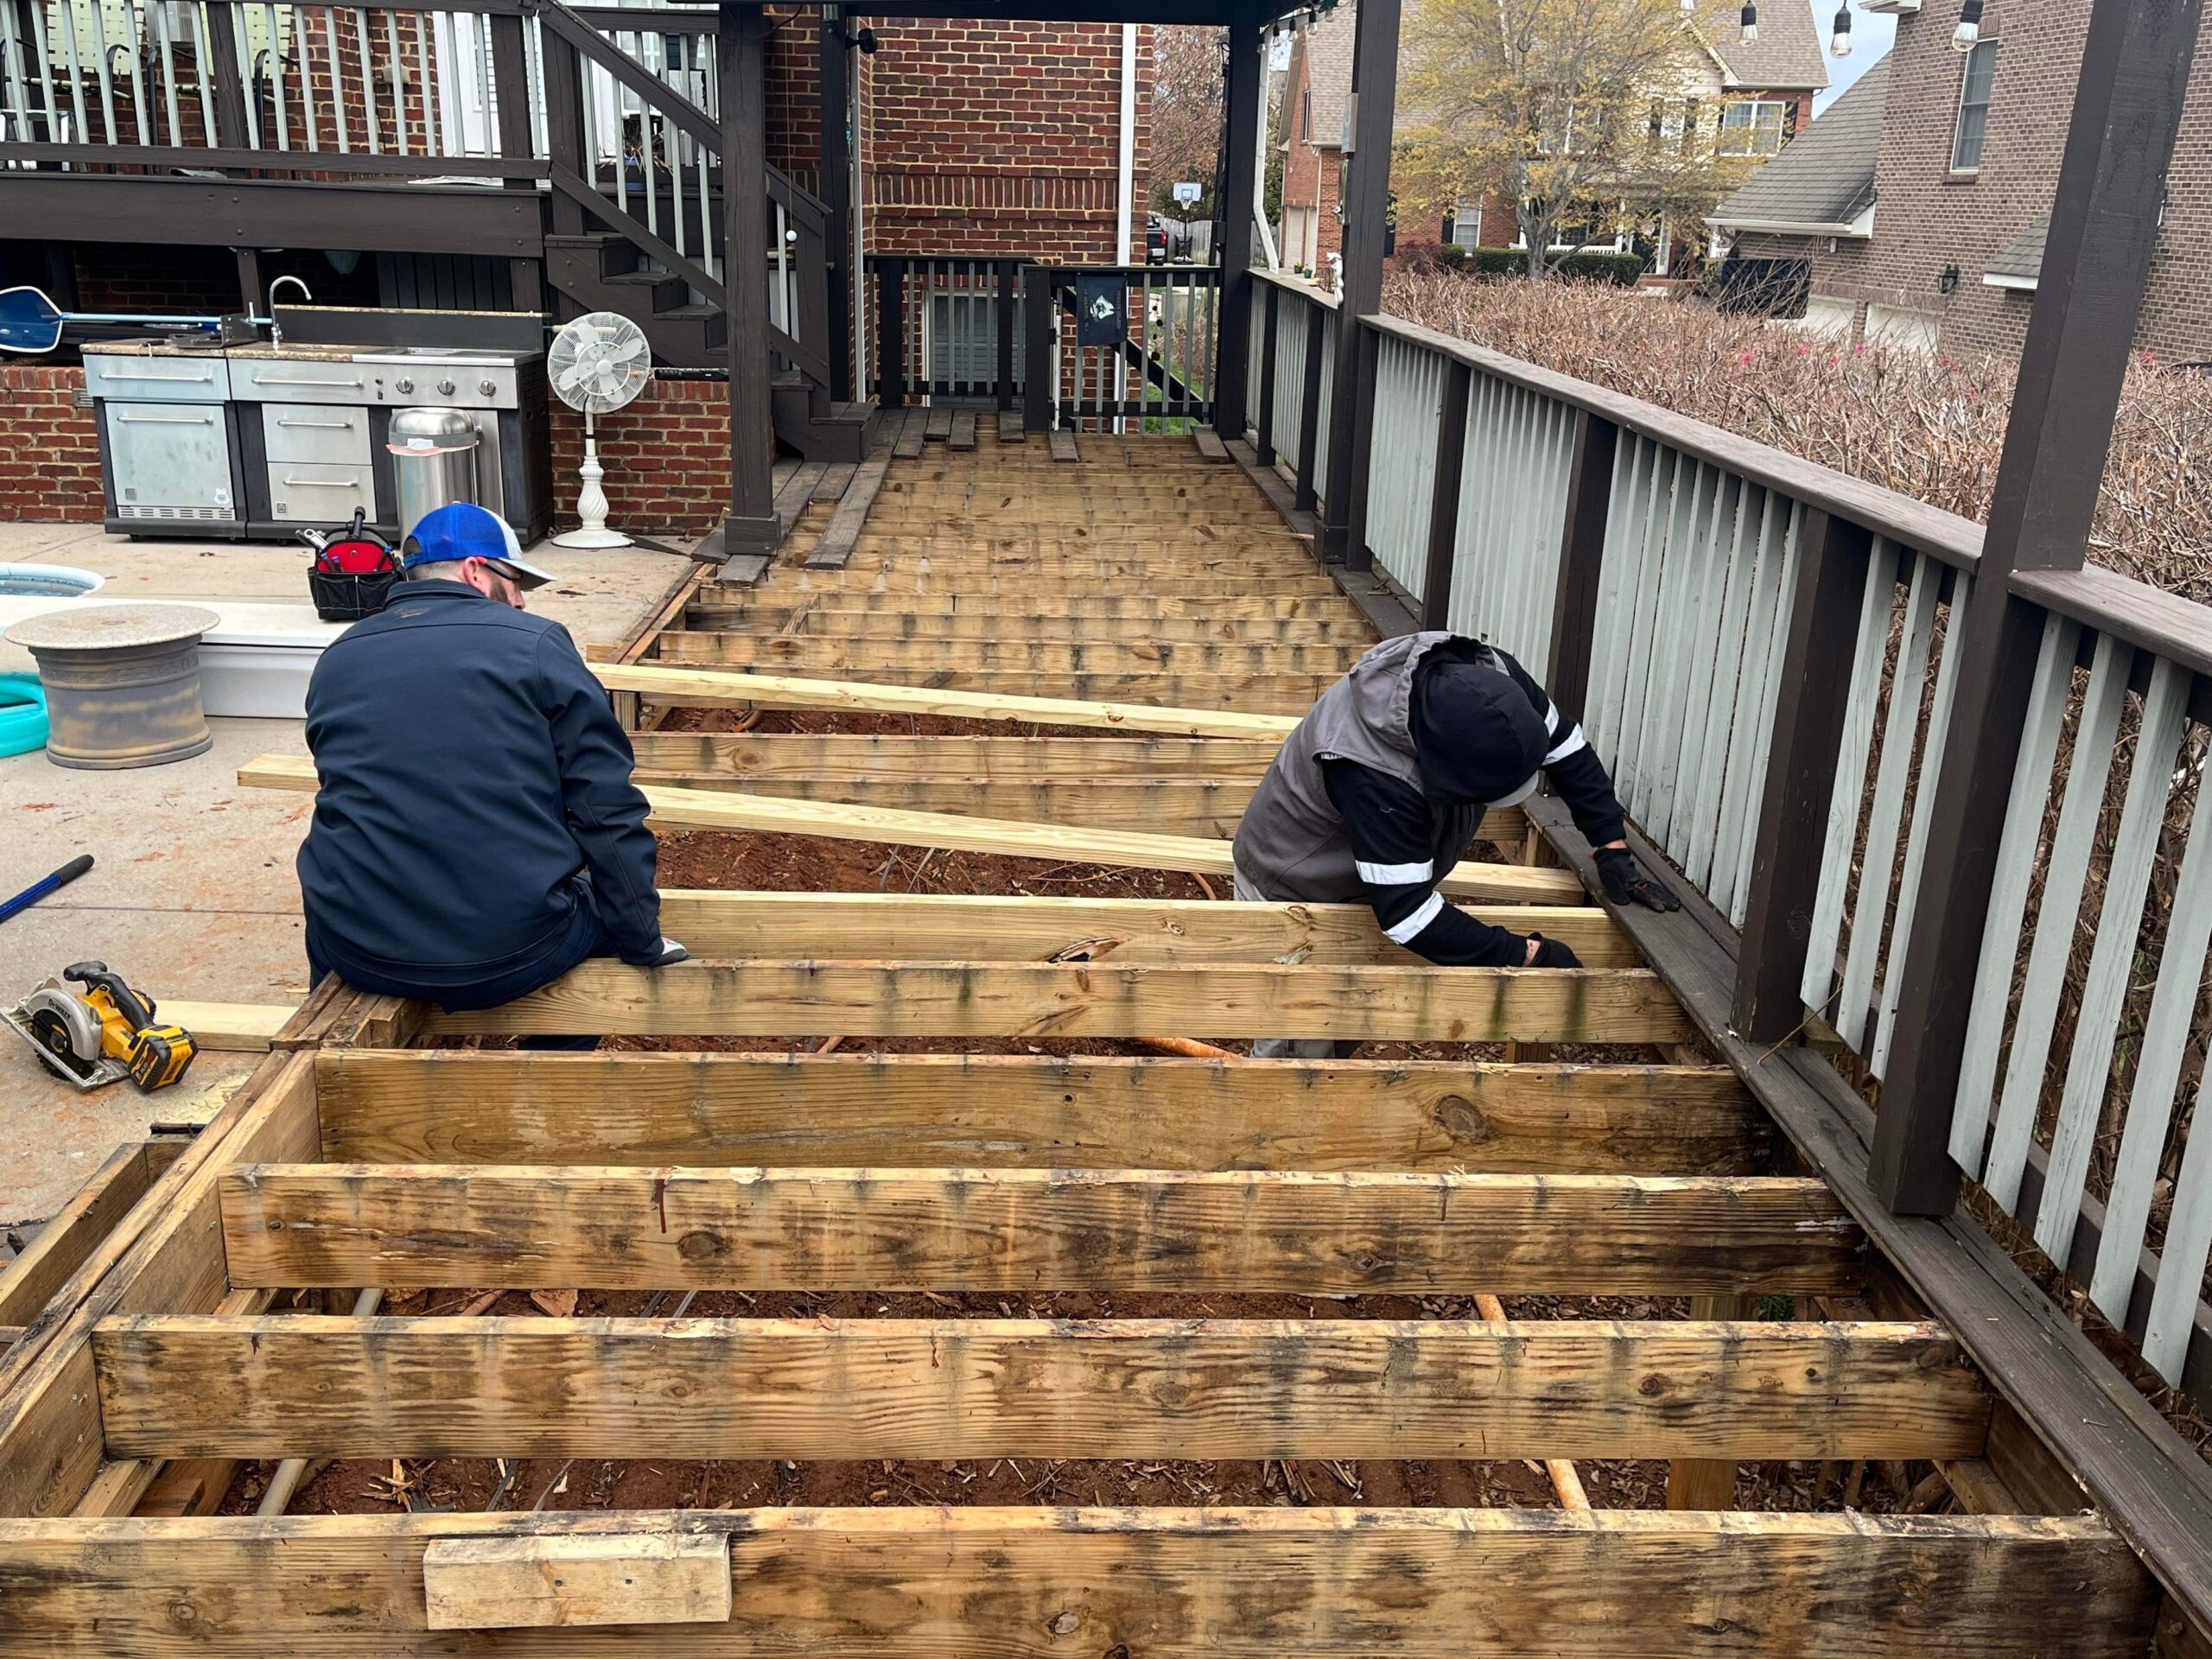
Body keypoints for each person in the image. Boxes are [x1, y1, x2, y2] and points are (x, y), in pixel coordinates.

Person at [296, 503, 685, 1044]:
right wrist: (641, 940)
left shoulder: (339, 656)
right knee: (597, 919)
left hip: (357, 948)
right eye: (516, 580)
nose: (523, 599)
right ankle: (548, 1079)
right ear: (476, 569)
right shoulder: (534, 643)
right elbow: (604, 808)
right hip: (511, 952)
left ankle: (334, 1049)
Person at [1230, 630, 1676, 1058]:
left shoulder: (1494, 679)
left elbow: (1567, 747)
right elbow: (1406, 915)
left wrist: (1610, 844)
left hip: (1373, 880)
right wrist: (1526, 955)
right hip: (1296, 883)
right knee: (1298, 1049)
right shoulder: (1370, 769)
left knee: (1348, 1021)